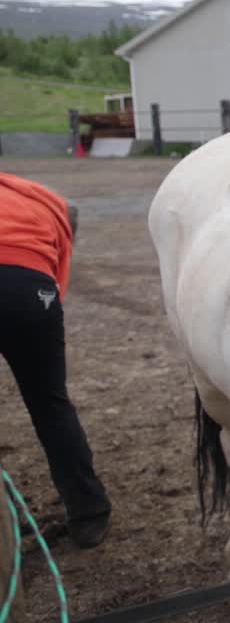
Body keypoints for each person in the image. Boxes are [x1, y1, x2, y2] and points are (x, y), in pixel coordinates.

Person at [0, 171, 111, 549]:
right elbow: (58, 264)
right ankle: (89, 514)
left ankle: (5, 520)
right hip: (33, 289)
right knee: (50, 404)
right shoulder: (39, 197)